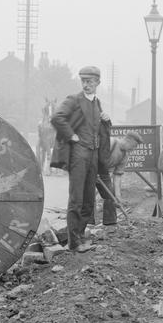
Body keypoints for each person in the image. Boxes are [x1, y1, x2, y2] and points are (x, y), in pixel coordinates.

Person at [51, 66, 111, 253]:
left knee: (88, 200)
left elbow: (98, 127)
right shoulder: (74, 100)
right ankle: (73, 242)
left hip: (93, 155)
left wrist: (106, 120)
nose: (86, 85)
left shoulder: (97, 103)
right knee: (76, 198)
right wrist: (71, 135)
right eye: (83, 81)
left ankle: (81, 235)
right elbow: (57, 117)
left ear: (97, 83)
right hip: (79, 154)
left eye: (90, 81)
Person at [95, 131, 144, 225]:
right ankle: (88, 223)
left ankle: (110, 222)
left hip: (103, 173)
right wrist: (94, 172)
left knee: (111, 196)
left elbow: (117, 175)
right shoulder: (111, 142)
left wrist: (118, 196)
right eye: (133, 146)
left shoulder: (125, 155)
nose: (132, 149)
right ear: (128, 141)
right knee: (87, 196)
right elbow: (95, 156)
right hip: (91, 168)